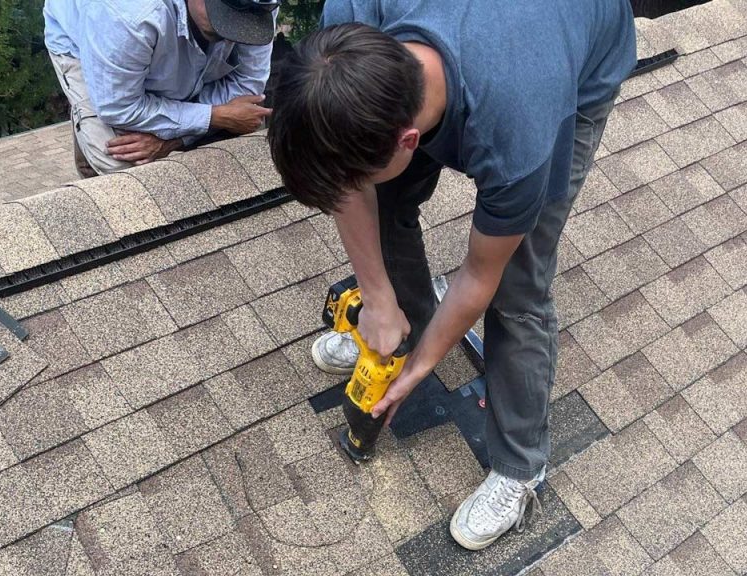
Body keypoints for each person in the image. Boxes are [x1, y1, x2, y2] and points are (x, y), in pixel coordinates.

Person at [267, 1, 635, 551]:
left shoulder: (518, 128)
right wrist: (377, 301)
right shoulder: (347, 32)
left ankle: (520, 468)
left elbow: (480, 278)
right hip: (490, 43)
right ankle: (402, 324)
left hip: (573, 58)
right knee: (383, 193)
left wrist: (415, 373)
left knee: (518, 286)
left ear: (408, 141)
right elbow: (349, 184)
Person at [44, 0, 278, 178]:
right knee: (123, 161)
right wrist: (215, 116)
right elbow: (120, 106)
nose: (230, 36)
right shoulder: (127, 15)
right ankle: (88, 122)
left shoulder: (261, 3)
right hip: (91, 46)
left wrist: (170, 141)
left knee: (246, 120)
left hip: (146, 40)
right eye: (222, 24)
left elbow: (248, 89)